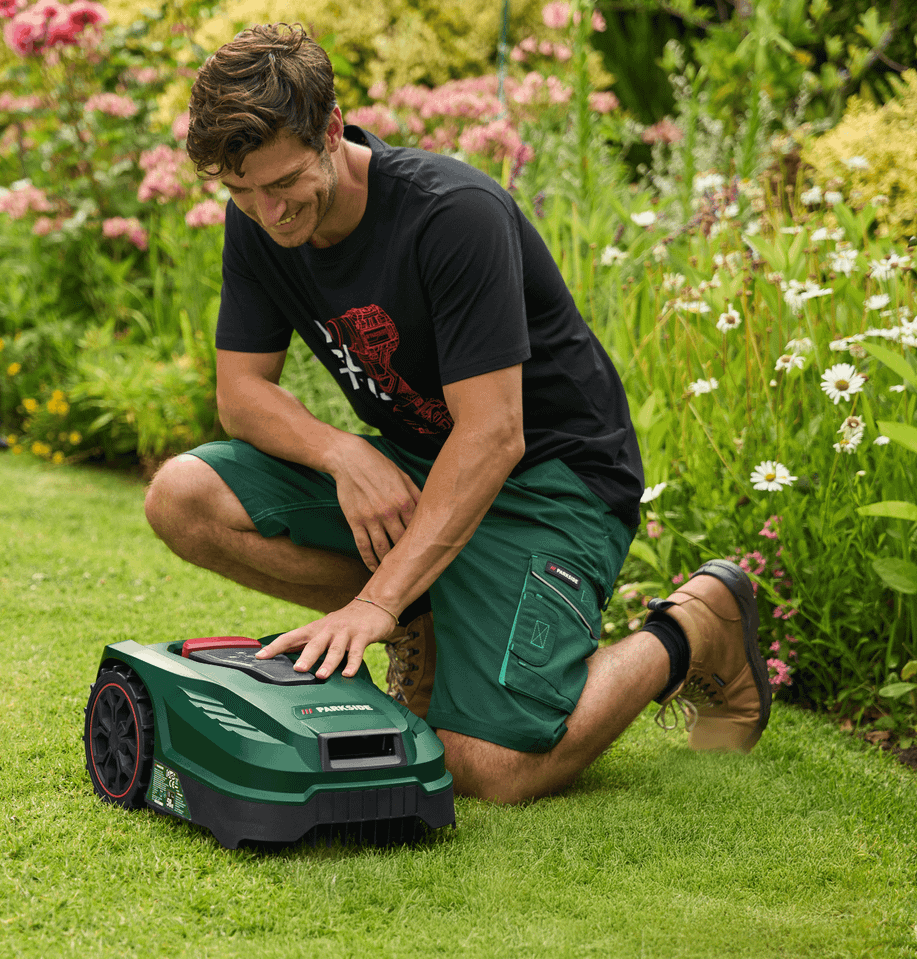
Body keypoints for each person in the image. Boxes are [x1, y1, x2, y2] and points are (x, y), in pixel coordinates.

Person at [143, 23, 771, 803]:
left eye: (283, 184)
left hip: (554, 480)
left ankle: (693, 627)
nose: (268, 213)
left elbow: (495, 433)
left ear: (332, 130)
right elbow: (242, 392)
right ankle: (429, 603)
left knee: (486, 766)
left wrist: (375, 601)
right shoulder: (260, 218)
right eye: (241, 193)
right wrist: (346, 453)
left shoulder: (452, 215)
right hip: (426, 464)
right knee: (183, 495)